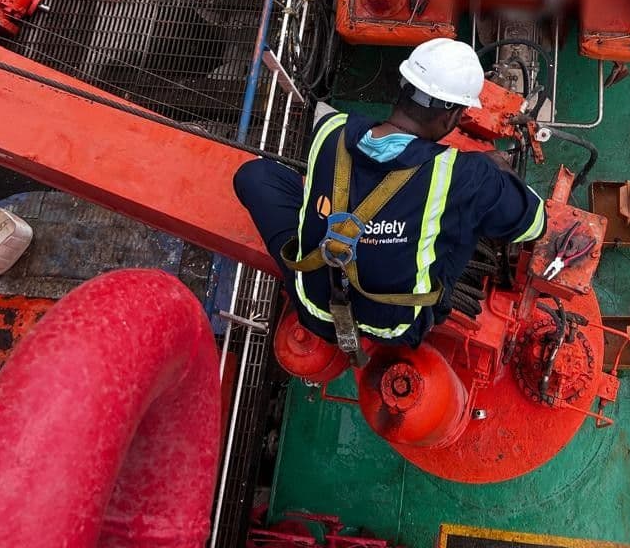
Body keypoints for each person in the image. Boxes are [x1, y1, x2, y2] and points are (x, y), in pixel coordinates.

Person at [233, 38, 545, 348]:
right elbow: (533, 223)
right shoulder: (464, 175)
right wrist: (497, 172)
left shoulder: (329, 129)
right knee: (464, 221)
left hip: (315, 308)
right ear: (451, 116)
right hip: (397, 327)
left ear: (402, 86)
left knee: (255, 174)